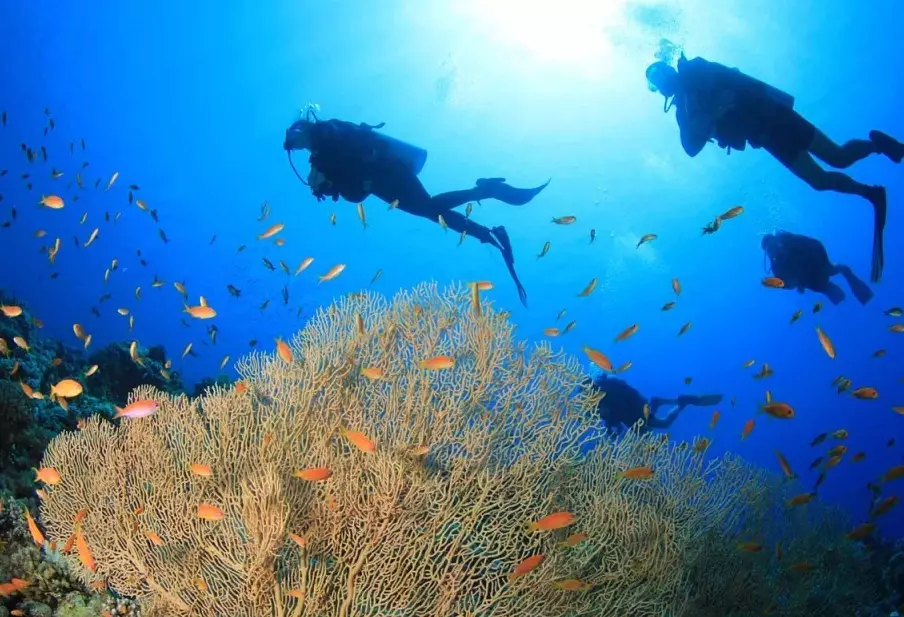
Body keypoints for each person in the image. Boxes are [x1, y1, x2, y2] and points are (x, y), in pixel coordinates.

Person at [645, 53, 904, 284]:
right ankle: (870, 189)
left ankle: (876, 149)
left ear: (670, 70)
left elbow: (734, 87)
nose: (665, 81)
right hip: (766, 137)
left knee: (837, 158)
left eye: (662, 74)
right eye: (659, 81)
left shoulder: (697, 71)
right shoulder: (684, 111)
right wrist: (706, 117)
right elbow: (689, 148)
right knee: (820, 180)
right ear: (659, 89)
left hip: (775, 118)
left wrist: (713, 111)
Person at [282, 111, 550, 307]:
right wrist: (325, 184)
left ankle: (486, 197)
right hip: (380, 183)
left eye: (295, 134)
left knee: (429, 207)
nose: (296, 143)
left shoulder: (327, 132)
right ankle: (487, 229)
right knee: (431, 211)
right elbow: (348, 187)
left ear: (305, 127)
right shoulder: (320, 153)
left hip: (386, 172)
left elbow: (349, 159)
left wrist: (324, 175)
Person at [581, 374, 723, 434]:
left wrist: (610, 426)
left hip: (634, 413)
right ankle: (661, 401)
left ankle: (682, 403)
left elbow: (610, 415)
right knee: (650, 415)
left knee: (664, 423)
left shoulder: (600, 400)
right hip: (638, 402)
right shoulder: (605, 383)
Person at [762, 230, 873, 306]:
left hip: (818, 265)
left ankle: (851, 281)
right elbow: (783, 284)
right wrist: (795, 284)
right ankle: (847, 308)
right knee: (831, 292)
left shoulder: (791, 241)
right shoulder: (776, 267)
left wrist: (826, 263)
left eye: (772, 244)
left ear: (776, 241)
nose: (772, 249)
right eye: (768, 249)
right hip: (811, 281)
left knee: (836, 271)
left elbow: (815, 244)